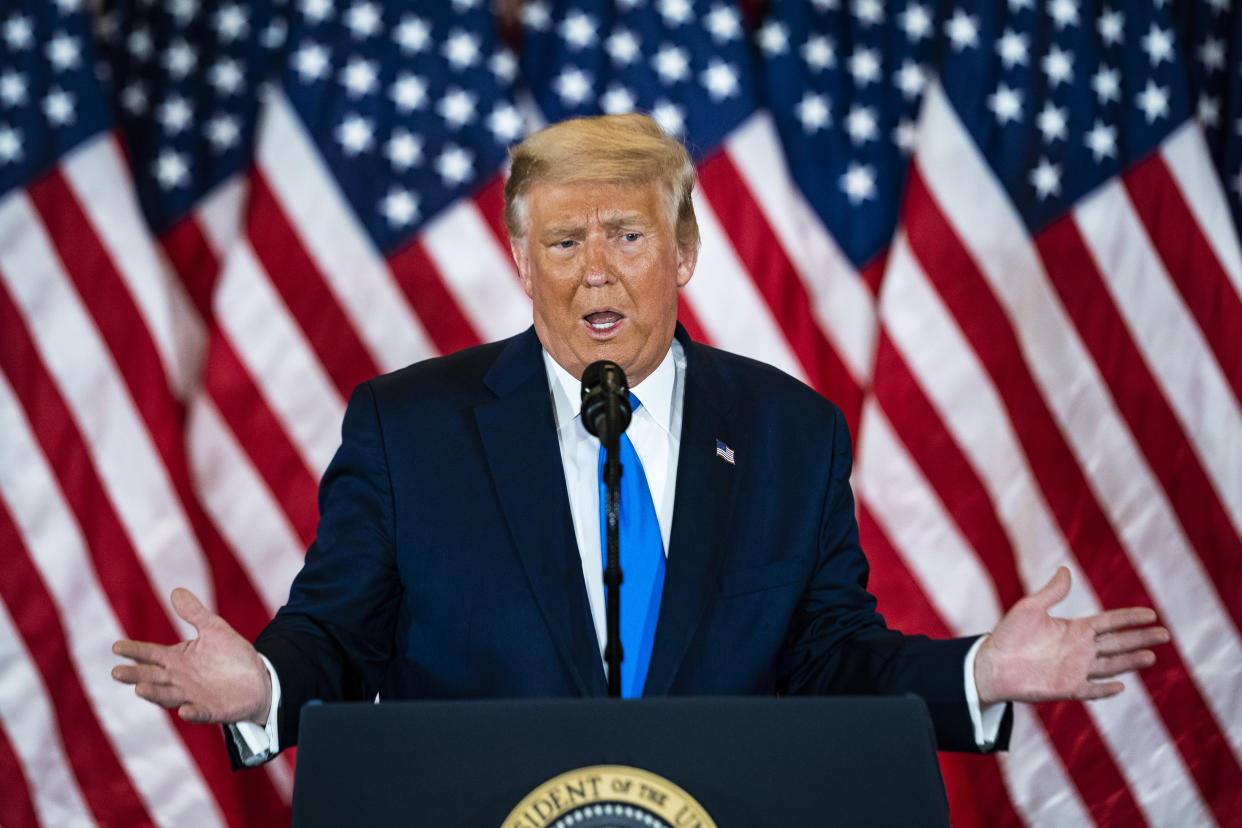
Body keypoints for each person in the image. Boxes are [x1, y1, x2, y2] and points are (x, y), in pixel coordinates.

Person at [112, 114, 1168, 767]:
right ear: (522, 263)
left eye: (626, 236)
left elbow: (830, 656)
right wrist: (265, 688)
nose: (596, 272)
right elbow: (336, 637)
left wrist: (982, 670)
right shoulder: (409, 427)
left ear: (688, 251)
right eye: (563, 242)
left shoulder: (788, 433)